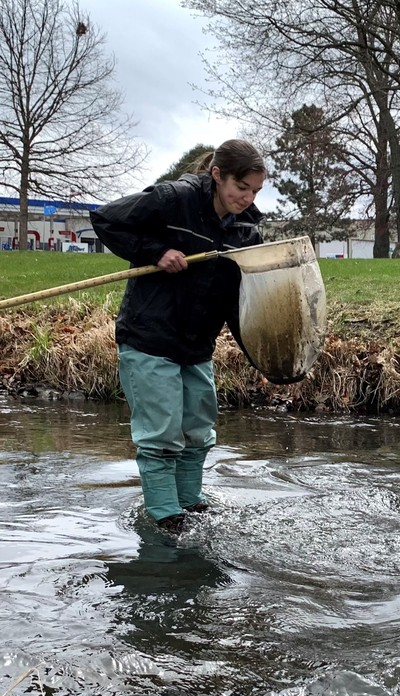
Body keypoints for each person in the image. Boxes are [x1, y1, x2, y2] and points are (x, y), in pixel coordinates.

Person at [90, 139, 266, 534]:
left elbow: (240, 302)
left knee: (199, 432)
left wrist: (261, 356)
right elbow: (105, 219)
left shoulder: (247, 230)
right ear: (218, 174)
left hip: (197, 344)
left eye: (255, 191)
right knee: (161, 435)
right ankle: (166, 520)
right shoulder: (174, 199)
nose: (247, 197)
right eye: (242, 187)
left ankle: (192, 507)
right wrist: (156, 251)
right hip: (149, 337)